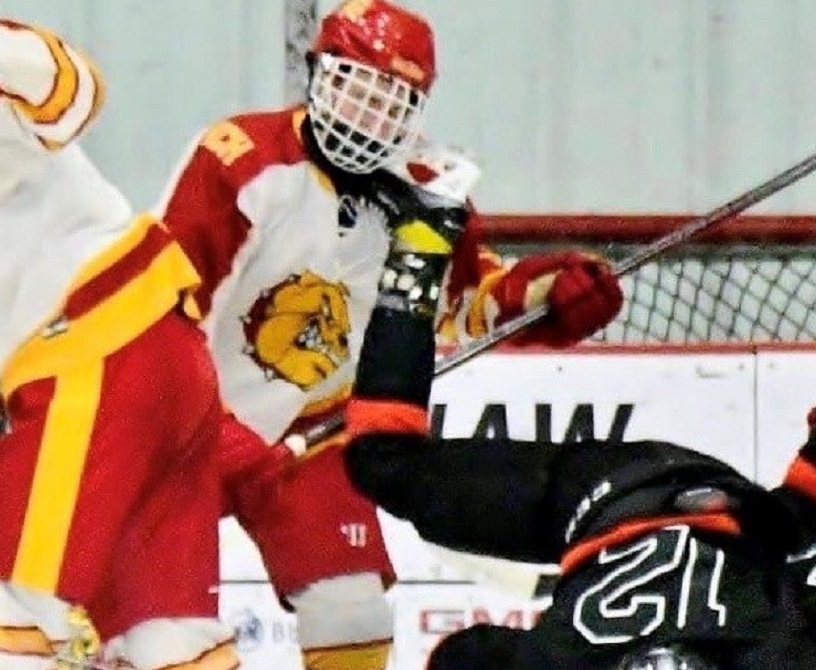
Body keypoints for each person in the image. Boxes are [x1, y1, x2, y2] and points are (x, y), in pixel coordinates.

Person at [154, 0, 624, 667]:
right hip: (181, 430)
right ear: (319, 77)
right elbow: (161, 309)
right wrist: (207, 424)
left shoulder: (428, 196)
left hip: (310, 432)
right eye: (355, 89)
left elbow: (467, 304)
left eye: (392, 101)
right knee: (148, 616)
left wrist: (550, 295)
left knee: (351, 607)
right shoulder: (241, 160)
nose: (368, 116)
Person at [337, 197, 816, 669]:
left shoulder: (768, 647)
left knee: (809, 520)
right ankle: (415, 264)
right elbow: (466, 654)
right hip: (612, 503)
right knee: (382, 459)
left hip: (648, 506)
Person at [0, 19, 241, 670]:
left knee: (14, 610)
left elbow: (73, 89)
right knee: (167, 636)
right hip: (156, 358)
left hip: (92, 358)